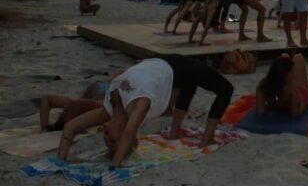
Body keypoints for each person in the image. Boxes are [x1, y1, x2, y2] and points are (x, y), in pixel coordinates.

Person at [57, 56, 234, 166]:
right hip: (171, 67)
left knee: (189, 81)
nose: (106, 138)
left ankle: (174, 133)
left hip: (154, 61)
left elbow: (70, 127)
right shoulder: (139, 105)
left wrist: (61, 160)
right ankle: (206, 138)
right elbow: (129, 132)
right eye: (112, 142)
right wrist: (115, 165)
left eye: (107, 142)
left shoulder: (108, 108)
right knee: (225, 89)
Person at [187, 0, 272, 46]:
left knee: (258, 9)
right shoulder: (205, 6)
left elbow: (204, 26)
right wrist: (191, 39)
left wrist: (200, 42)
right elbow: (197, 22)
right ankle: (249, 35)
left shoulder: (209, 10)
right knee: (252, 10)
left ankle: (255, 35)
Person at [39, 81, 106, 131]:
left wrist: (44, 127)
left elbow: (46, 99)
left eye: (63, 113)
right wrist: (44, 127)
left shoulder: (73, 104)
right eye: (64, 113)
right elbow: (46, 99)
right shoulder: (93, 107)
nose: (63, 111)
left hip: (97, 92)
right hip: (98, 92)